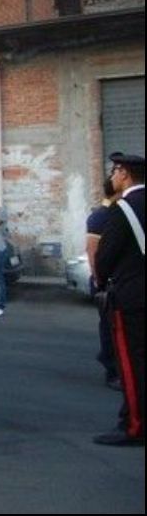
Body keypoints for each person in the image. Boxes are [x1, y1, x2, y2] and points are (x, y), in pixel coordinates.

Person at [92, 152, 144, 447]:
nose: (112, 177)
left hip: (133, 298)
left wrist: (100, 281)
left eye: (114, 171)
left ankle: (134, 426)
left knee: (132, 363)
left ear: (124, 174)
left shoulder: (123, 208)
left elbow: (105, 257)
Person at [86, 178, 121, 390]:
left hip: (117, 281)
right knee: (110, 329)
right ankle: (112, 369)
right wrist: (101, 283)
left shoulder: (115, 213)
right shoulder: (101, 216)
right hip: (108, 283)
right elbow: (92, 252)